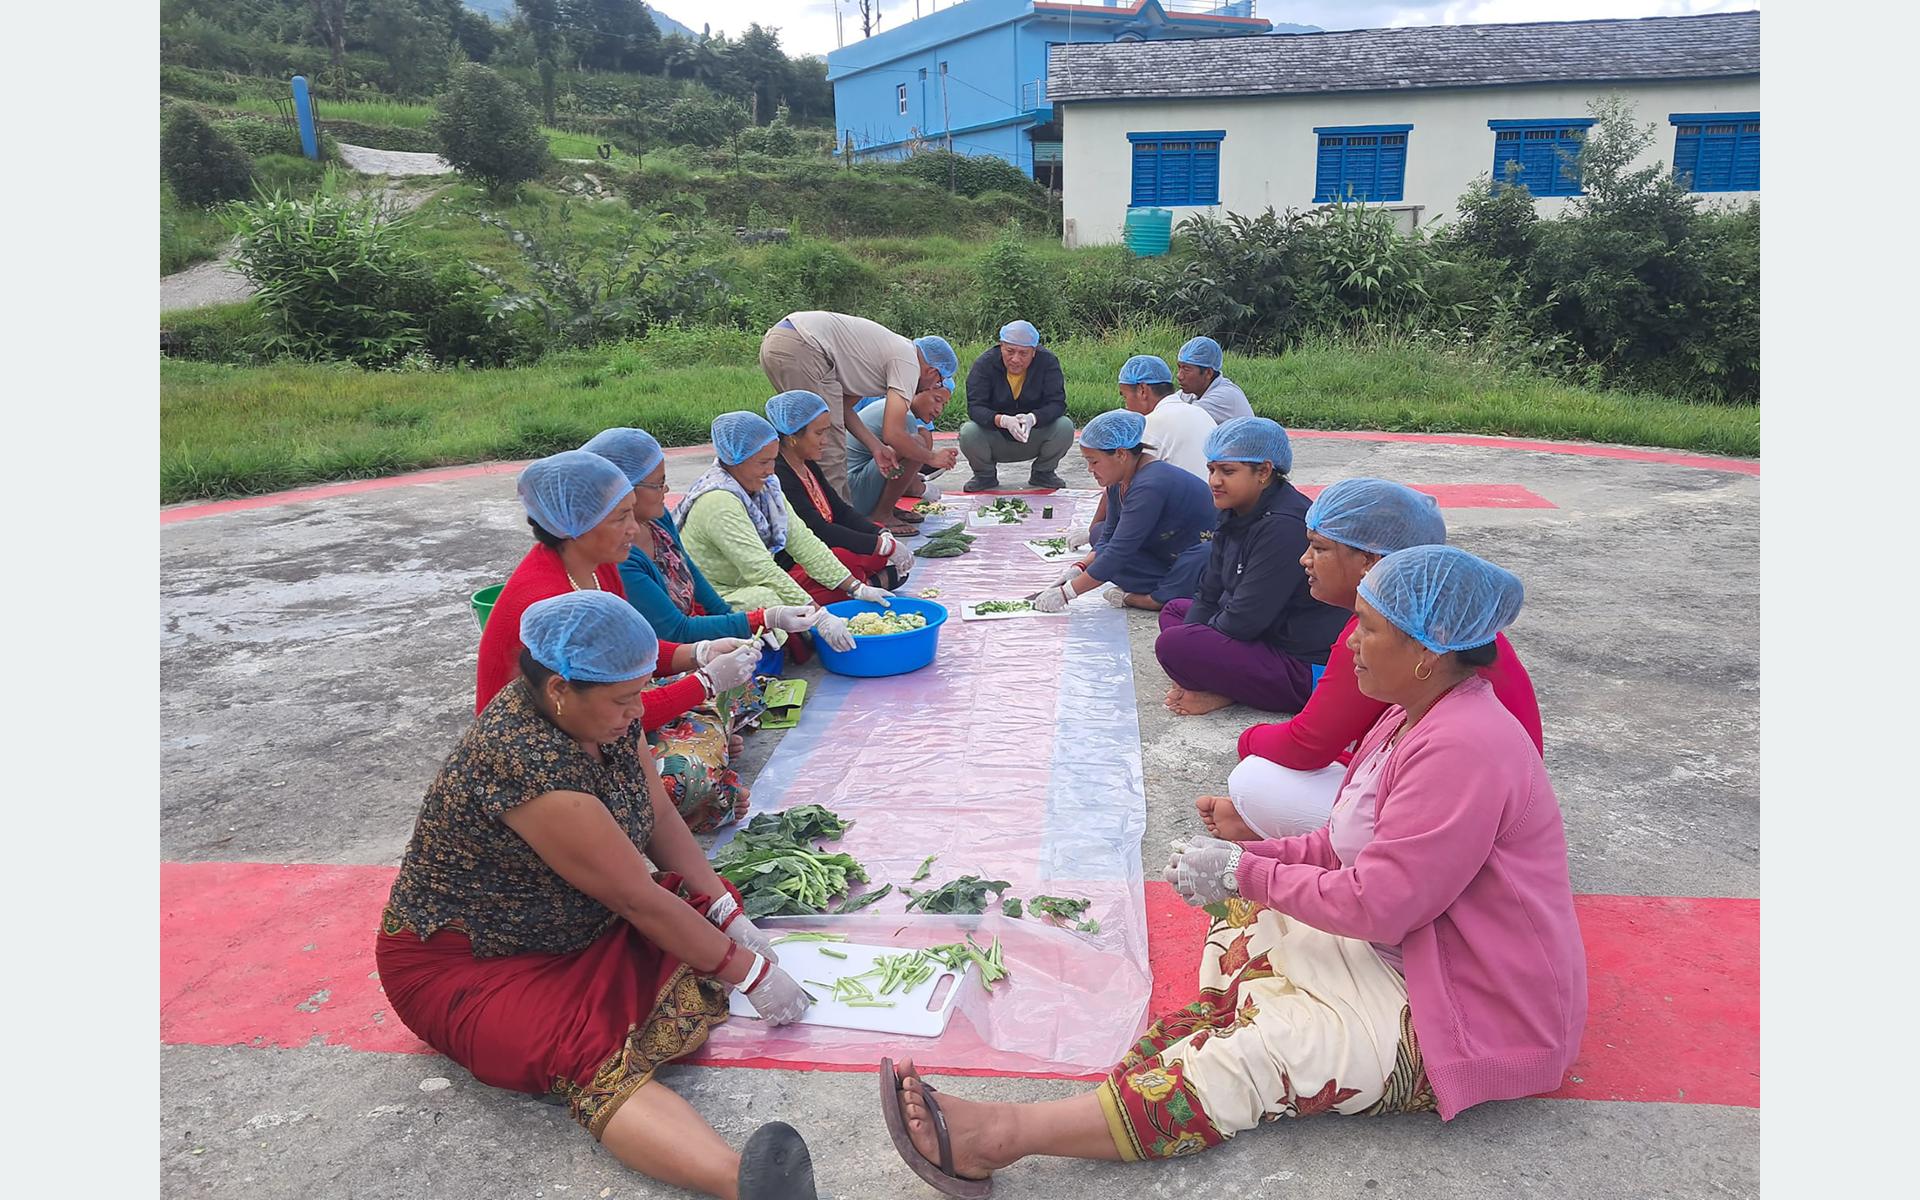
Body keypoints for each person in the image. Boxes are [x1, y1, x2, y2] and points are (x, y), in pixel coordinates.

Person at [875, 546, 1585, 1191]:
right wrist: (1250, 861)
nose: (1350, 644)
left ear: (1428, 652)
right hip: (1405, 949)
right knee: (1242, 914)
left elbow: (1382, 904)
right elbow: (1344, 844)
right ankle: (1235, 1033)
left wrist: (1247, 873)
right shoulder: (1410, 712)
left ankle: (1000, 1137)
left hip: (1458, 1001)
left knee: (1252, 1058)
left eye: (1367, 628)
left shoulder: (1465, 746)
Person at [378, 592, 818, 1200]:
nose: (637, 710)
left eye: (638, 692)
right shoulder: (523, 762)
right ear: (560, 688)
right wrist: (748, 971)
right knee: (582, 1052)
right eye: (623, 698)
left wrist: (722, 907)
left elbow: (658, 811)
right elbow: (636, 900)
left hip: (572, 916)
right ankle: (742, 1184)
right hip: (470, 963)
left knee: (687, 916)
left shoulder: (601, 714)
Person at [1197, 478, 1544, 840]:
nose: (1305, 559)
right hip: (1495, 801)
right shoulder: (1441, 616)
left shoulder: (1390, 637)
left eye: (1319, 547)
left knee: (1254, 778)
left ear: (1369, 560)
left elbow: (1308, 746)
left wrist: (1247, 739)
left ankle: (1287, 834)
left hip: (1469, 822)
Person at [477, 449, 769, 831]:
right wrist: (705, 681)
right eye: (620, 518)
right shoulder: (548, 597)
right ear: (574, 526)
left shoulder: (600, 567)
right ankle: (707, 750)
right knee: (683, 776)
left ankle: (708, 737)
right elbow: (603, 707)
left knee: (739, 679)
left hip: (603, 708)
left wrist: (698, 653)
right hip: (561, 737)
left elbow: (627, 655)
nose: (634, 527)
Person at [1157, 417, 1350, 718]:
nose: (1214, 481)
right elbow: (1209, 593)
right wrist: (1198, 647)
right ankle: (1220, 681)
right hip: (1266, 631)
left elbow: (1243, 621)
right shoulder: (1235, 510)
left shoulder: (1283, 526)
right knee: (1175, 611)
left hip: (1302, 661)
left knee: (1175, 643)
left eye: (1227, 471)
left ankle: (1225, 689)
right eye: (1211, 469)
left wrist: (1197, 652)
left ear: (1264, 471)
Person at [674, 412, 885, 654]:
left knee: (826, 581)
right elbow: (760, 568)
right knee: (768, 600)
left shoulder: (766, 484)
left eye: (773, 461)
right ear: (735, 460)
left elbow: (802, 540)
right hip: (717, 595)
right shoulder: (719, 501)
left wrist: (856, 587)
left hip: (751, 580)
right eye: (762, 462)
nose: (770, 470)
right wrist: (819, 616)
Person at [759, 309, 959, 497]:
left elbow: (844, 408)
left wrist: (876, 447)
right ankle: (837, 524)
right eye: (938, 383)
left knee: (802, 439)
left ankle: (803, 511)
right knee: (826, 444)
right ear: (932, 372)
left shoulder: (889, 354)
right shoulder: (908, 362)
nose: (933, 386)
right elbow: (894, 433)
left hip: (783, 340)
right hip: (804, 347)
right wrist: (933, 458)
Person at [1032, 410, 1214, 614]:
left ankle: (1150, 599)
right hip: (1163, 552)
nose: (1089, 470)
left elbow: (1120, 550)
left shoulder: (1150, 485)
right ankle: (1165, 588)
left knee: (1119, 560)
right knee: (1098, 534)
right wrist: (1080, 568)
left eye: (1094, 461)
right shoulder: (1118, 481)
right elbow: (1109, 537)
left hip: (1195, 555)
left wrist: (1068, 594)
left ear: (1120, 454)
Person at [764, 390, 919, 598]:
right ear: (792, 438)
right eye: (819, 433)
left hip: (824, 546)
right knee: (843, 557)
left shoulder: (807, 463)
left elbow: (839, 510)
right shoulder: (780, 475)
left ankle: (863, 583)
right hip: (799, 560)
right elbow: (819, 531)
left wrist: (880, 535)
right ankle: (863, 585)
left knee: (876, 538)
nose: (825, 441)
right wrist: (880, 546)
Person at [958, 319, 1075, 493]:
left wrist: (1033, 418)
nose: (1015, 359)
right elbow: (975, 407)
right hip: (995, 436)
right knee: (968, 432)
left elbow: (1057, 403)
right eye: (1010, 351)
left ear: (1034, 352)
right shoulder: (984, 365)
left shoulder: (1048, 362)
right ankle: (985, 475)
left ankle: (1043, 472)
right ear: (1001, 346)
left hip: (1032, 434)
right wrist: (1002, 420)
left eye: (1023, 353)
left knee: (1065, 426)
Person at [844, 383, 961, 538]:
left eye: (944, 404)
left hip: (857, 484)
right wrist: (921, 485)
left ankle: (889, 509)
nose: (939, 409)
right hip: (852, 494)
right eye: (936, 399)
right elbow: (906, 450)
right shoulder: (904, 416)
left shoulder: (894, 408)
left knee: (922, 436)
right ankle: (881, 515)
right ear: (916, 392)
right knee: (916, 443)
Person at [1118, 354, 1212, 481]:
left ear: (1142, 390)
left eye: (1125, 397)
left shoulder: (1150, 424)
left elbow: (1131, 480)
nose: (1127, 406)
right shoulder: (1201, 413)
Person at [1175, 336, 1255, 424]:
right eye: (1179, 367)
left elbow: (1179, 419)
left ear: (1208, 373)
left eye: (1186, 369)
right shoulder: (1192, 392)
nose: (1179, 376)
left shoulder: (1224, 396)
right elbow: (1165, 407)